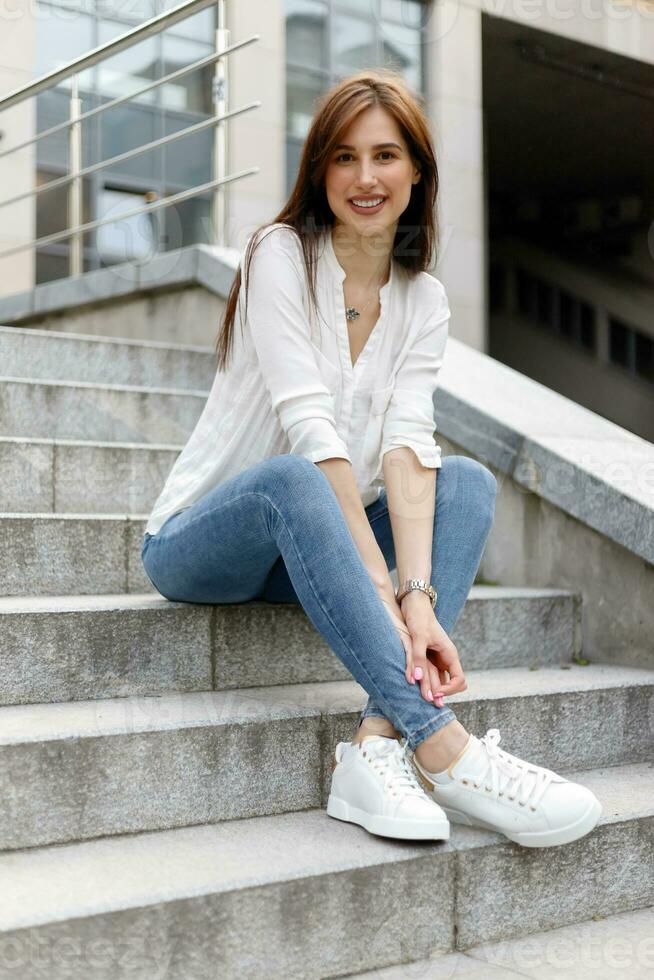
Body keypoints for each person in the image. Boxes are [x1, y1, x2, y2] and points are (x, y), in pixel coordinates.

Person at [141, 69, 602, 848]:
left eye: (385, 156)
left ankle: (376, 746)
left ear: (416, 171)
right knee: (294, 475)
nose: (364, 178)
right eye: (343, 157)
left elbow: (407, 445)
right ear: (319, 170)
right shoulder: (280, 254)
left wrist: (417, 599)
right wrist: (382, 583)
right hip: (204, 545)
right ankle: (446, 749)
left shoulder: (423, 300)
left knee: (466, 479)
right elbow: (309, 431)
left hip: (311, 560)